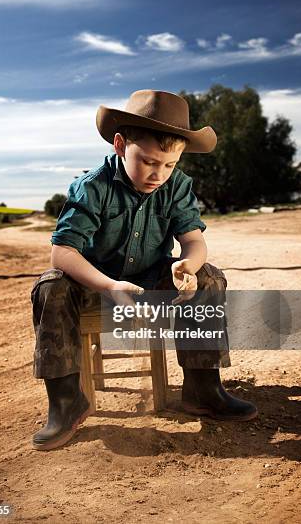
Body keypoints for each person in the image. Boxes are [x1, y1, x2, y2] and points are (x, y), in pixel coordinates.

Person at [31, 89, 257, 451]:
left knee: (209, 276)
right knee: (50, 286)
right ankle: (65, 402)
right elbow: (62, 252)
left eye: (169, 165)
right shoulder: (92, 187)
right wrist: (110, 286)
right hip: (96, 283)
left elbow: (195, 242)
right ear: (121, 145)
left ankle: (202, 388)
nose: (159, 174)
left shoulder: (177, 186)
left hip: (151, 279)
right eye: (149, 161)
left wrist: (188, 264)